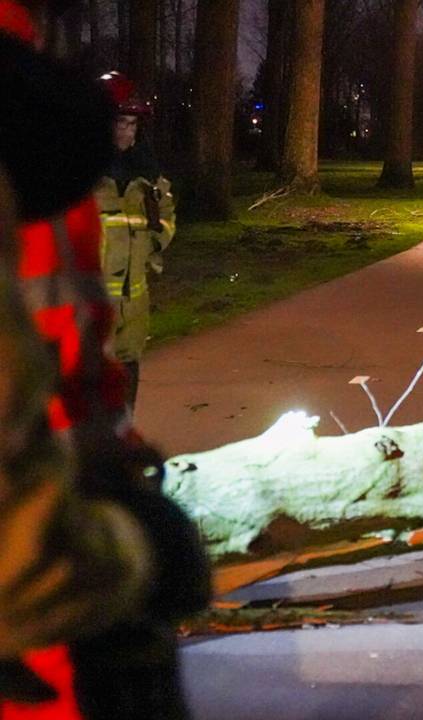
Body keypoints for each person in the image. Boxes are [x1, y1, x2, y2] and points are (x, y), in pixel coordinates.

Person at [0, 3, 209, 718]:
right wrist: (133, 555)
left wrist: (114, 458)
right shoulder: (34, 121)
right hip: (57, 599)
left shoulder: (41, 121)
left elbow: (71, 339)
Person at [94, 72, 176, 409]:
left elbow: (166, 218)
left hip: (133, 300)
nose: (125, 131)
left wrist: (153, 244)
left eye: (131, 123)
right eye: (118, 122)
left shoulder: (149, 178)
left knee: (127, 368)